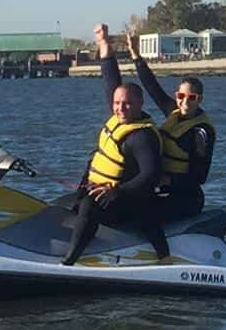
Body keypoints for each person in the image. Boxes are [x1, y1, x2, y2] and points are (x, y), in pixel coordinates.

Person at [61, 23, 171, 265]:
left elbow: (150, 176)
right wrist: (103, 43)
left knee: (89, 207)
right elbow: (111, 77)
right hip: (105, 191)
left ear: (140, 104)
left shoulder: (141, 137)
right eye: (118, 103)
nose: (121, 107)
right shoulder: (118, 116)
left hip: (129, 200)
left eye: (128, 103)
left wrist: (116, 191)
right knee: (67, 204)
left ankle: (68, 263)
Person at [126, 30, 218, 221]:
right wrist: (136, 55)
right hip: (163, 189)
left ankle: (162, 252)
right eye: (181, 96)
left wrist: (167, 180)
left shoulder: (201, 132)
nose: (185, 102)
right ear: (177, 96)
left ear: (199, 99)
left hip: (186, 199)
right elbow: (152, 87)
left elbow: (200, 177)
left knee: (141, 215)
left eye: (191, 98)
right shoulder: (173, 112)